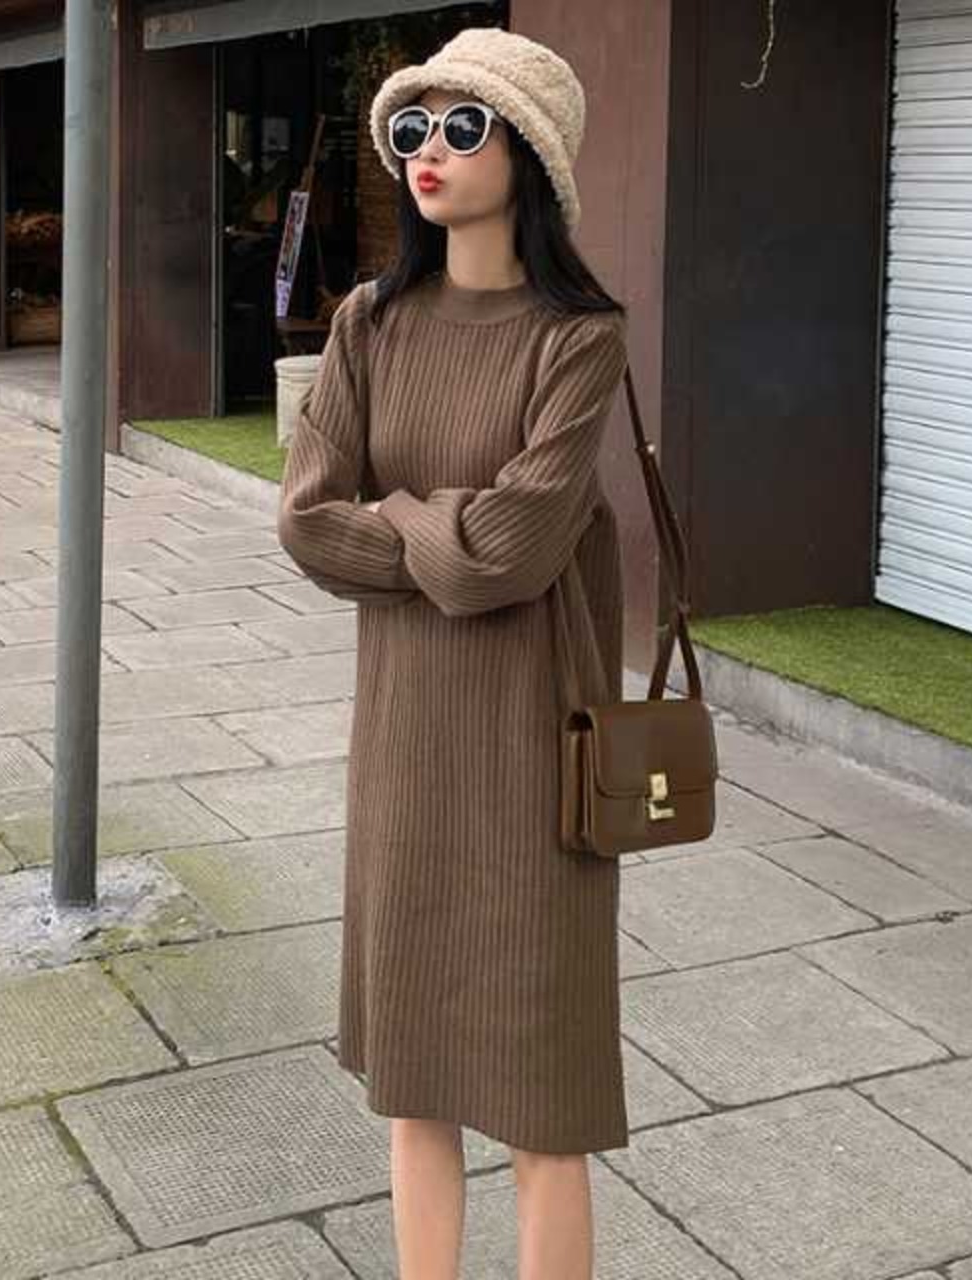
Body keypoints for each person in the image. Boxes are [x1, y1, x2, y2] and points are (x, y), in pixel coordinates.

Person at [276, 25, 630, 1280]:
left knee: (544, 1099)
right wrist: (442, 524)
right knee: (413, 1080)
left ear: (526, 152)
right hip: (405, 738)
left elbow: (511, 554)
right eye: (412, 128)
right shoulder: (368, 321)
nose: (426, 150)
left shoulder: (577, 336)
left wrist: (396, 513)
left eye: (461, 126)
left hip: (533, 741)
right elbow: (305, 521)